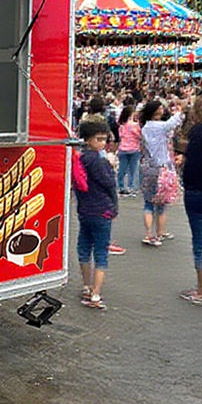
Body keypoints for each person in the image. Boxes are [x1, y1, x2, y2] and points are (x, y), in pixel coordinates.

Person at [75, 120, 118, 311]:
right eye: (99, 139)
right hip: (102, 211)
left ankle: (86, 286)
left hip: (84, 210)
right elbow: (109, 184)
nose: (102, 143)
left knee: (84, 248)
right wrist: (111, 167)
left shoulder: (80, 159)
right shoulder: (100, 162)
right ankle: (96, 294)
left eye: (104, 139)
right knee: (101, 253)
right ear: (88, 140)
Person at [139, 98, 185, 247]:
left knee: (149, 202)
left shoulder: (145, 128)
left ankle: (150, 233)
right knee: (162, 202)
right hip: (163, 166)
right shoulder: (160, 126)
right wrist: (179, 109)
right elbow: (175, 121)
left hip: (148, 166)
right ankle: (159, 232)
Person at [180, 93, 202, 304]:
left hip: (198, 190)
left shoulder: (198, 132)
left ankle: (201, 291)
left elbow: (193, 164)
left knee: (201, 242)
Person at [117, 101, 142, 195]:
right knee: (133, 170)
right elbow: (139, 136)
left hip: (123, 148)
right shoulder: (135, 125)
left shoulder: (121, 125)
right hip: (134, 149)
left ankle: (121, 186)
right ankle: (131, 187)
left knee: (122, 169)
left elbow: (120, 136)